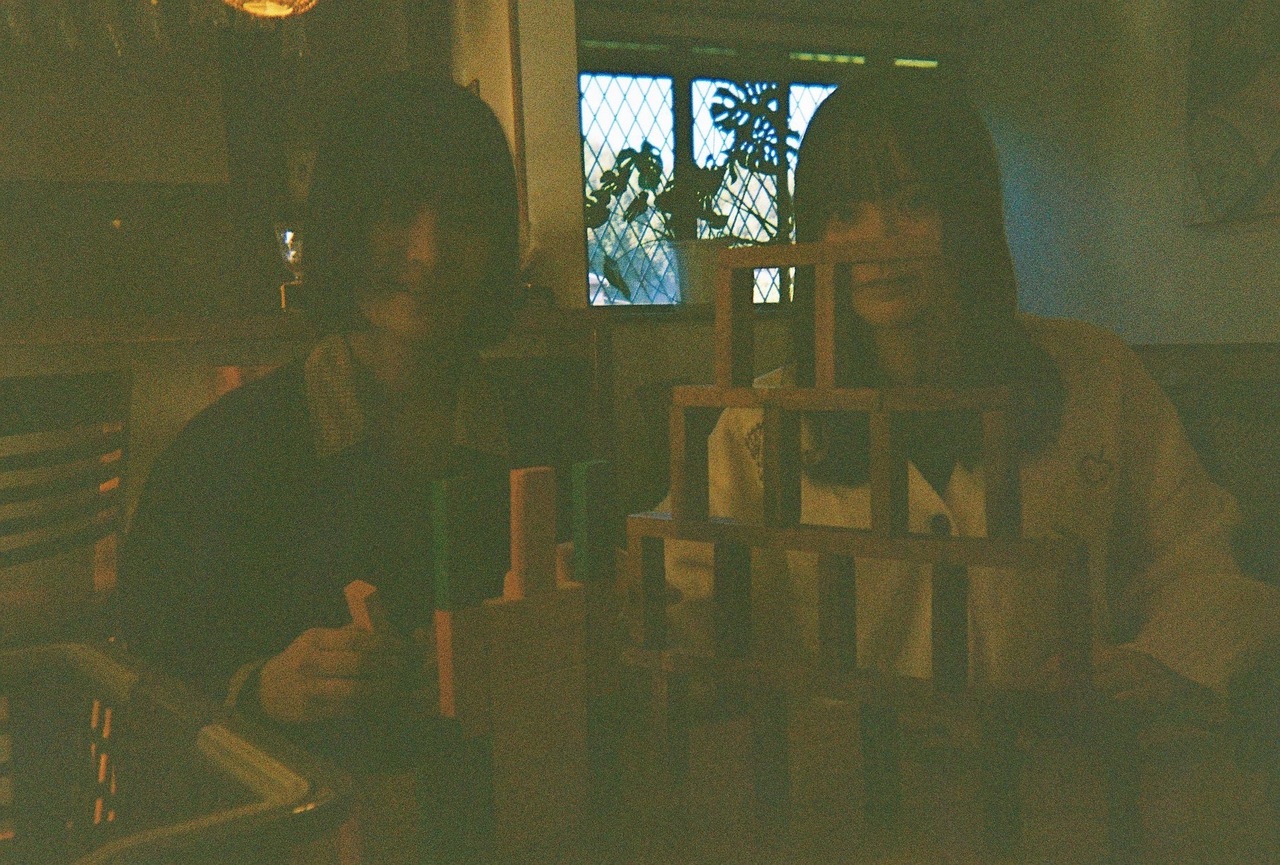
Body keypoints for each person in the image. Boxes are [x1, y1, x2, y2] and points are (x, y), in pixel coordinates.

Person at [661, 68, 1278, 779]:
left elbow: (1198, 553)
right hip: (848, 785)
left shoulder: (1096, 376)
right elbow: (690, 596)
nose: (879, 241)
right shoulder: (761, 422)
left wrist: (1161, 660)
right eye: (845, 213)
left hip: (1062, 773)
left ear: (972, 218)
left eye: (914, 204)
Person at [113, 72, 519, 860]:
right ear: (339, 224)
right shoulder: (222, 458)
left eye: (465, 218)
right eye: (395, 211)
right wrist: (259, 687)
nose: (430, 253)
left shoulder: (546, 434)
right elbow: (146, 692)